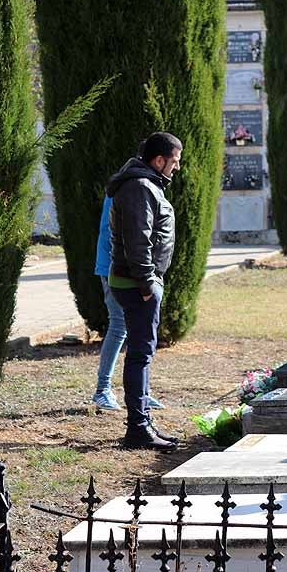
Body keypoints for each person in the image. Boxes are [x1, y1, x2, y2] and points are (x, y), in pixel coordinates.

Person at [106, 132, 182, 452]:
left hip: (137, 282)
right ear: (159, 160)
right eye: (174, 161)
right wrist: (148, 282)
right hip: (137, 284)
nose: (176, 168)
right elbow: (139, 240)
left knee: (143, 354)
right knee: (140, 355)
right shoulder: (140, 187)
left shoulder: (145, 183)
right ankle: (137, 429)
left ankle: (143, 422)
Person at [93, 195, 165, 411]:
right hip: (117, 270)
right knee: (119, 326)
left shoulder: (140, 188)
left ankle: (141, 392)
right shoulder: (126, 190)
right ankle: (102, 390)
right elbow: (111, 233)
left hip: (135, 270)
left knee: (140, 329)